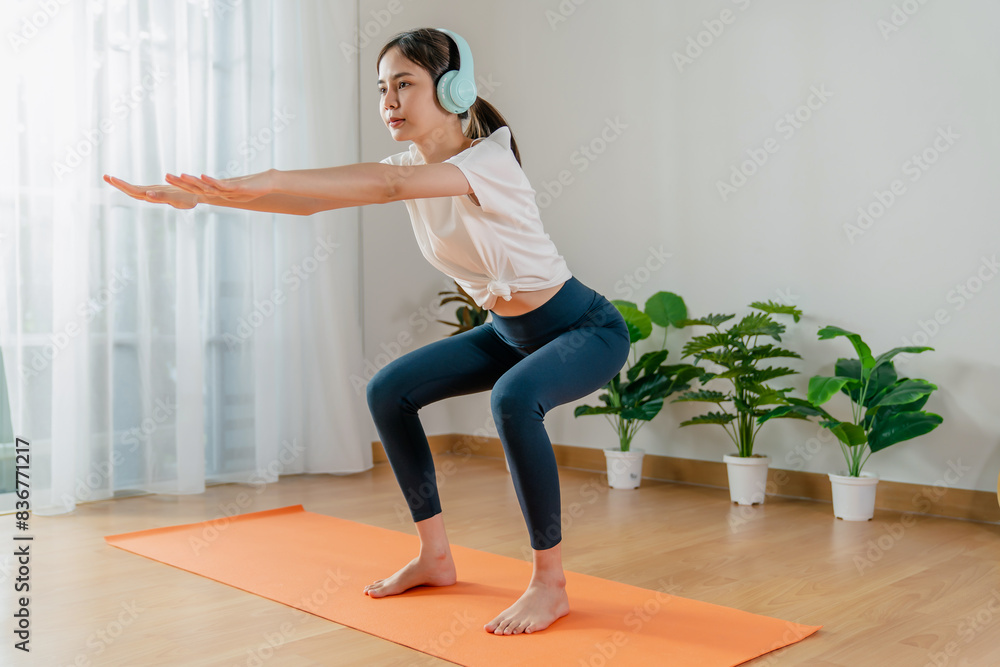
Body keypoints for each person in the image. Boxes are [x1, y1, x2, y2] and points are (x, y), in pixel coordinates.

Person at [104, 27, 630, 636]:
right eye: (382, 89)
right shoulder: (407, 165)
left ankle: (550, 584)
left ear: (454, 88)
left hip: (583, 328)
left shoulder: (489, 157)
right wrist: (204, 199)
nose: (389, 102)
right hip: (508, 332)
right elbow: (310, 203)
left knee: (513, 399)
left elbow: (386, 187)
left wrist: (267, 173)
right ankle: (435, 555)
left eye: (405, 84)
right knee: (389, 390)